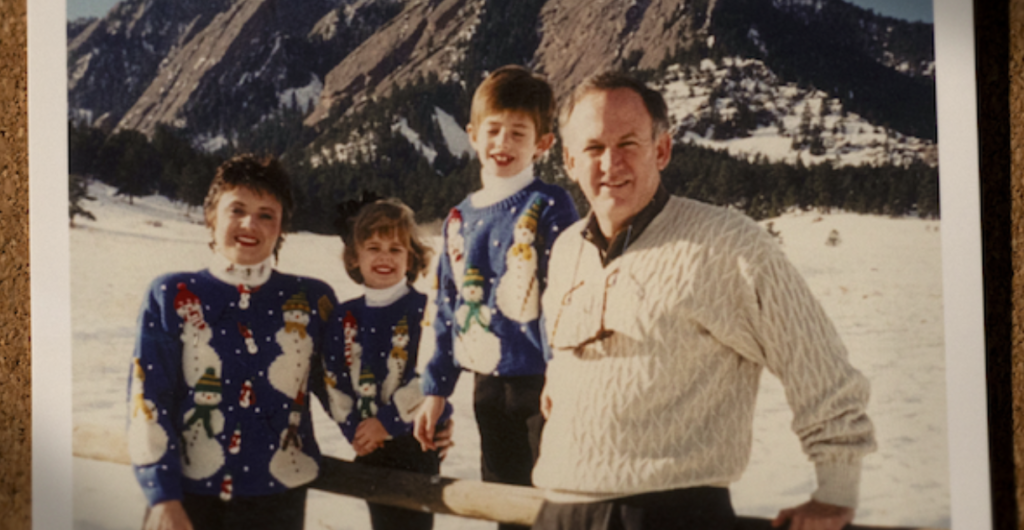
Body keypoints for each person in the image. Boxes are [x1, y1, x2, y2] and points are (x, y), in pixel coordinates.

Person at [531, 72, 876, 530]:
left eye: (628, 143)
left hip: (672, 514)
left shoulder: (727, 243)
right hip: (560, 510)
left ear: (661, 150)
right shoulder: (567, 249)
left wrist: (836, 492)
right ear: (569, 161)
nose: (610, 163)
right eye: (593, 148)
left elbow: (818, 366)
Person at [127, 154, 338, 530]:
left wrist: (418, 417)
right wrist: (162, 495)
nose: (249, 224)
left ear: (281, 228)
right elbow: (148, 399)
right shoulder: (171, 294)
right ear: (211, 216)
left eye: (266, 214)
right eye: (236, 209)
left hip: (277, 502)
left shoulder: (311, 300)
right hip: (185, 500)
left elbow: (343, 389)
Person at [413, 65, 580, 529]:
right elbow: (448, 310)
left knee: (556, 505)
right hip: (488, 388)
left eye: (518, 133)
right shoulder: (458, 219)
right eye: (493, 130)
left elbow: (566, 296)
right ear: (472, 134)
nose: (502, 143)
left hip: (545, 383)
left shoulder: (549, 205)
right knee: (505, 504)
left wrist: (562, 373)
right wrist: (436, 389)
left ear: (542, 143)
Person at [323, 198, 452, 530]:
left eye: (396, 249)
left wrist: (388, 422)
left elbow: (434, 374)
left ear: (411, 257)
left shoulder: (426, 309)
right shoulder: (345, 317)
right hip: (370, 445)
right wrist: (355, 430)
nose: (385, 257)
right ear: (355, 256)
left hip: (415, 442)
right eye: (373, 248)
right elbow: (334, 379)